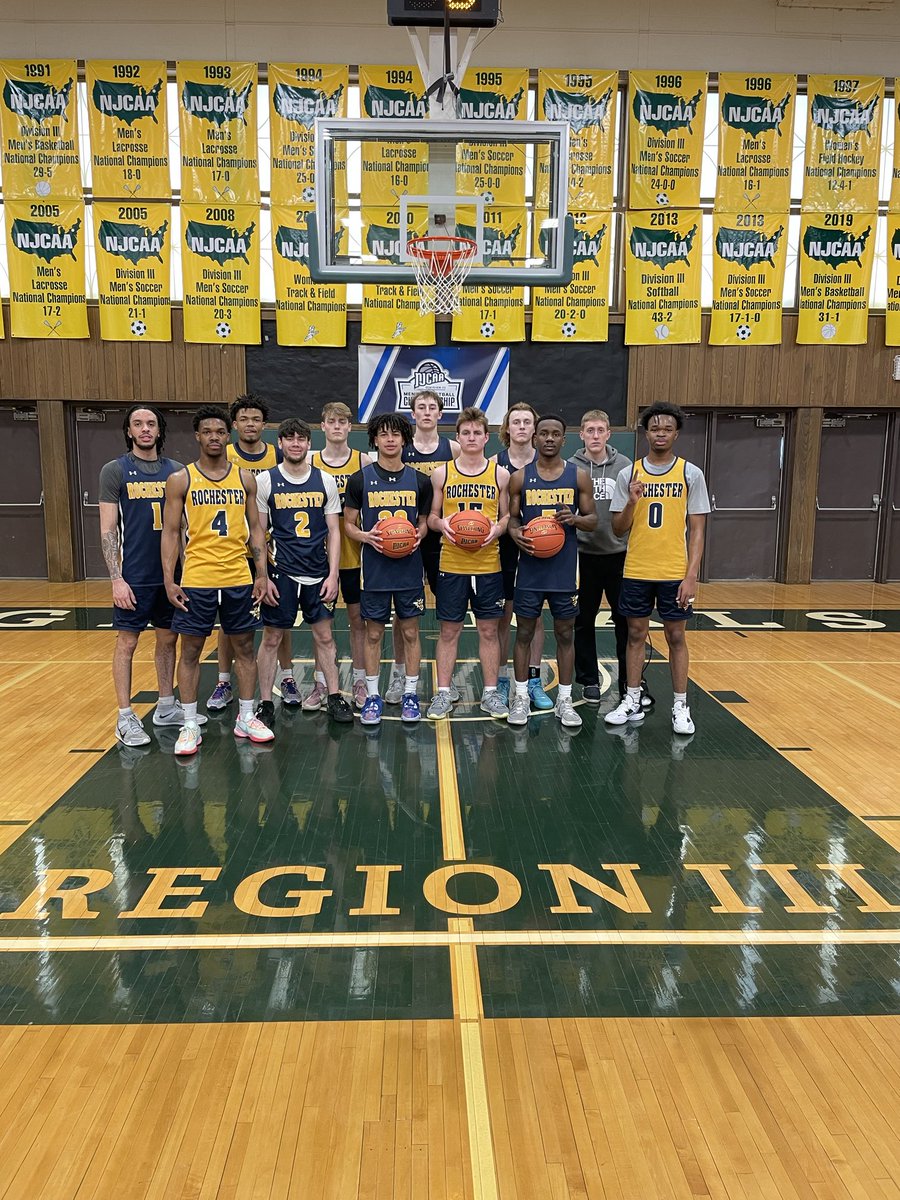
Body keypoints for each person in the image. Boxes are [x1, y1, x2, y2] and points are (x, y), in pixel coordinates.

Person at [161, 405, 274, 756]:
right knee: (191, 650)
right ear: (197, 436)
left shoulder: (244, 478)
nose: (213, 437)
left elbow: (257, 529)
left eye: (220, 432)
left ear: (229, 435)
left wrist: (261, 574)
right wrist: (170, 579)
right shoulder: (182, 479)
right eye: (207, 431)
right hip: (197, 578)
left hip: (238, 576)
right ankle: (191, 723)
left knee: (243, 648)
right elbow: (170, 531)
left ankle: (245, 715)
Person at [99, 405, 207, 746]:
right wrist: (116, 578)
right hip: (134, 575)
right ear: (129, 431)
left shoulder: (177, 471)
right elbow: (108, 530)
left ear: (160, 431)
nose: (145, 429)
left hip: (170, 577)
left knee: (168, 640)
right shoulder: (115, 471)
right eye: (137, 424)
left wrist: (187, 573)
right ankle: (125, 716)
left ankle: (165, 705)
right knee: (127, 643)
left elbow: (187, 528)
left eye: (151, 424)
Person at [605, 401, 710, 735]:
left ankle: (681, 706)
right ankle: (632, 698)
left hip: (674, 571)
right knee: (635, 635)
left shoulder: (690, 474)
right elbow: (618, 529)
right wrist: (633, 501)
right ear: (645, 432)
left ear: (676, 433)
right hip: (637, 569)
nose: (660, 433)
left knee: (675, 636)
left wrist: (691, 575)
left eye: (667, 428)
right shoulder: (628, 474)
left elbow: (697, 530)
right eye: (654, 428)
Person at [255, 419, 353, 728]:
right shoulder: (266, 481)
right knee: (272, 637)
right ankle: (266, 703)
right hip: (281, 572)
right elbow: (257, 532)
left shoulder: (324, 480)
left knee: (324, 636)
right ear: (280, 444)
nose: (296, 443)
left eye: (301, 439)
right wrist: (262, 575)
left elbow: (334, 532)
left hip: (317, 570)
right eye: (290, 439)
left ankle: (334, 696)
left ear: (309, 444)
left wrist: (333, 574)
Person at [206, 394, 299, 711]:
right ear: (234, 425)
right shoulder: (223, 454)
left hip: (271, 549)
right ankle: (223, 681)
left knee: (279, 619)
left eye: (256, 419)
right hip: (230, 550)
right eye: (243, 419)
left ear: (264, 425)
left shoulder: (276, 455)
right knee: (228, 622)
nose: (249, 424)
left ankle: (286, 677)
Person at [507, 414, 596, 730]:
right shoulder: (519, 477)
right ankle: (520, 698)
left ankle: (565, 700)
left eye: (555, 434)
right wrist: (515, 532)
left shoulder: (578, 477)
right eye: (542, 433)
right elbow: (512, 519)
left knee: (565, 633)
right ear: (534, 438)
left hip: (563, 571)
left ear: (564, 439)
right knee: (525, 633)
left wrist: (575, 519)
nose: (548, 438)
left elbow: (594, 520)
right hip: (530, 569)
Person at [343, 413, 432, 727]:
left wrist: (419, 533)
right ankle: (372, 696)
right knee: (374, 633)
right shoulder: (360, 479)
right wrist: (366, 536)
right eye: (383, 435)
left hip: (408, 568)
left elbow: (423, 522)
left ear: (404, 439)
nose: (390, 439)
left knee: (410, 631)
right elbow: (349, 524)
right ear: (375, 440)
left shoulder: (420, 480)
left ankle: (409, 694)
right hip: (375, 569)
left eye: (396, 434)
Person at [425, 407, 510, 720]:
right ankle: (443, 694)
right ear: (457, 438)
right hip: (452, 563)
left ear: (486, 437)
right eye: (466, 433)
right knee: (449, 632)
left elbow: (505, 517)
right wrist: (442, 524)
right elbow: (432, 517)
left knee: (489, 631)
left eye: (477, 433)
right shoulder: (442, 473)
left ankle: (490, 695)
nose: (472, 438)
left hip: (489, 564)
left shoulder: (499, 473)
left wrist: (498, 530)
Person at [383, 389, 460, 706]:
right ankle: (399, 672)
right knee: (403, 611)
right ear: (412, 414)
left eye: (432, 408)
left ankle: (448, 677)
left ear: (441, 415)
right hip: (408, 536)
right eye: (420, 408)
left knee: (450, 611)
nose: (427, 412)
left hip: (443, 537)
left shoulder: (452, 447)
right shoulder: (404, 448)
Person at [310, 401, 372, 710]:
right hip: (318, 557)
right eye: (331, 421)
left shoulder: (364, 461)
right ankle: (321, 683)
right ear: (322, 426)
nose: (336, 426)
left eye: (342, 422)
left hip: (356, 556)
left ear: (350, 427)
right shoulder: (310, 462)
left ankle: (360, 680)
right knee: (321, 624)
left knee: (357, 620)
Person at [569, 409, 631, 703]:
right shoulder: (571, 467)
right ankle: (589, 679)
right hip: (583, 554)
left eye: (600, 430)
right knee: (583, 620)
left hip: (618, 553)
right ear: (581, 435)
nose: (595, 435)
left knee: (625, 620)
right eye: (589, 430)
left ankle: (631, 681)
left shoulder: (625, 466)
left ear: (609, 434)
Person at [492, 402, 549, 709]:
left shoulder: (549, 462)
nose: (523, 427)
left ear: (535, 429)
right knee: (503, 616)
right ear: (508, 429)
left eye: (528, 422)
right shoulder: (494, 464)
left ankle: (533, 679)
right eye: (517, 422)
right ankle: (502, 680)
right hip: (501, 548)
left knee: (534, 617)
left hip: (538, 549)